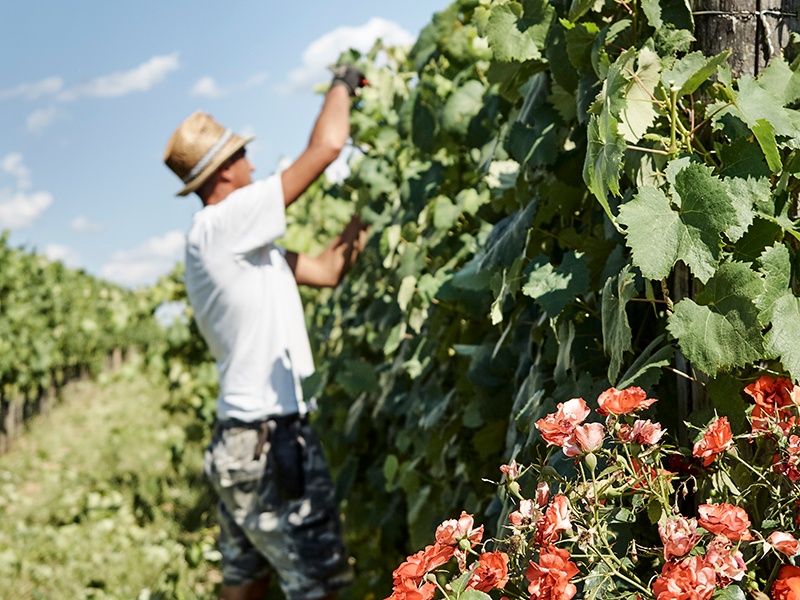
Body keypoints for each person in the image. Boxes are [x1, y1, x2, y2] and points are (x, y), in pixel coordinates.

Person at [162, 66, 368, 600]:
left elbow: (324, 269)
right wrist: (343, 83)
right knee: (317, 586)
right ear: (222, 173)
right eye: (241, 157)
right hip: (270, 444)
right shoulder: (222, 223)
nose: (252, 164)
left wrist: (369, 208)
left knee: (245, 581)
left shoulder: (244, 249)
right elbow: (325, 147)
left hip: (241, 442)